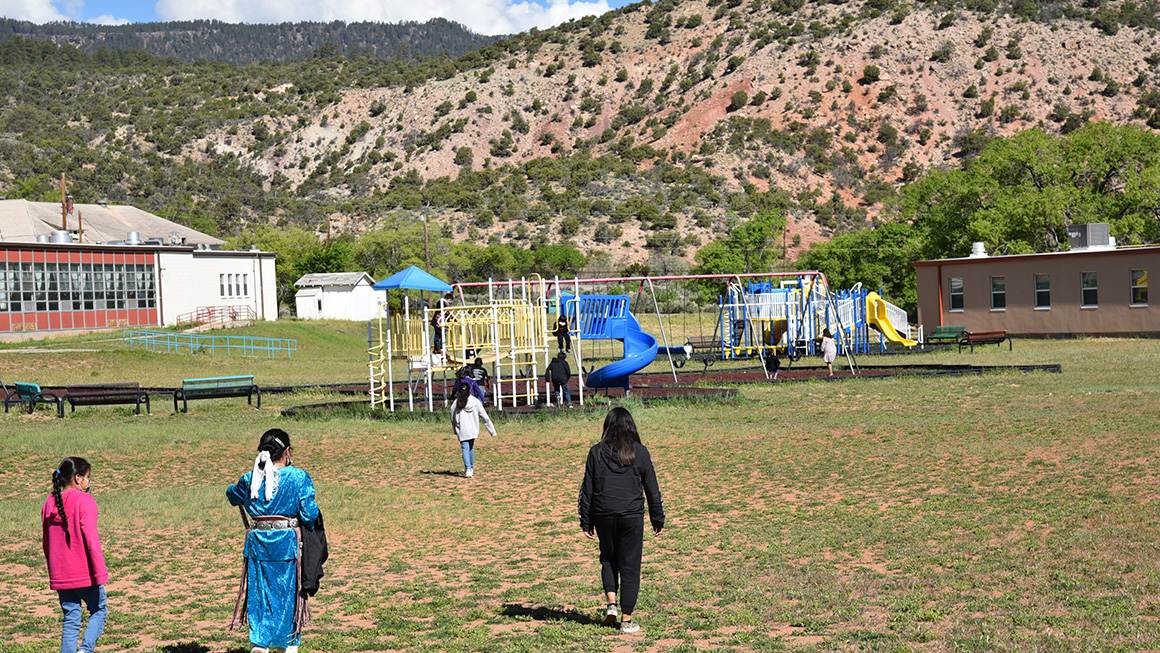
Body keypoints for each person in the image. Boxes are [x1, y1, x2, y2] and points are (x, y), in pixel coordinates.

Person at [227, 429, 320, 653]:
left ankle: (259, 643)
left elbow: (232, 496)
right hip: (288, 547)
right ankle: (287, 646)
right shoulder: (298, 477)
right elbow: (309, 514)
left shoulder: (250, 479)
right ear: (287, 452)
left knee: (260, 597)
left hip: (258, 546)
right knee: (289, 597)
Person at [578, 407, 665, 634]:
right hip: (631, 516)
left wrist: (585, 521)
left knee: (608, 558)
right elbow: (652, 489)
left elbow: (587, 490)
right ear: (631, 426)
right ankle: (626, 621)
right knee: (630, 566)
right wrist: (658, 518)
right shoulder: (640, 452)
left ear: (607, 427)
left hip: (602, 514)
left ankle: (611, 605)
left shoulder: (595, 452)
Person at [42, 456, 108, 653]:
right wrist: (100, 572)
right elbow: (91, 538)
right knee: (99, 610)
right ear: (78, 479)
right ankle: (85, 650)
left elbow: (47, 542)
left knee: (71, 619)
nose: (89, 482)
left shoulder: (49, 502)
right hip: (86, 573)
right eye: (87, 477)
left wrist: (54, 571)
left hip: (61, 574)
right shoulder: (85, 500)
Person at [450, 383, 497, 478]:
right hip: (473, 429)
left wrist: (455, 428)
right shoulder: (475, 401)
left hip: (462, 429)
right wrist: (492, 431)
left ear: (459, 391)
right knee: (470, 447)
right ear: (470, 391)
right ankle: (470, 468)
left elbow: (452, 416)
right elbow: (485, 416)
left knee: (465, 448)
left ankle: (468, 468)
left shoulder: (456, 402)